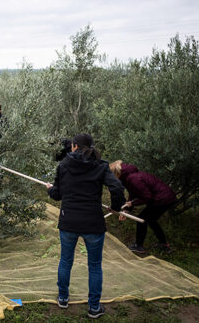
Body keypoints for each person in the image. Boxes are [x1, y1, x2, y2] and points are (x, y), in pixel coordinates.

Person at [46, 133, 125, 319]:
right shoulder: (101, 166)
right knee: (95, 266)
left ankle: (63, 299)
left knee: (66, 261)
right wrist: (115, 207)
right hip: (93, 222)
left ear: (73, 146)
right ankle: (94, 308)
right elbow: (117, 188)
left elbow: (58, 195)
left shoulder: (64, 165)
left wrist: (50, 190)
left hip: (69, 221)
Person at [109, 160, 177, 253]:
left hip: (163, 199)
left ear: (116, 173)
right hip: (165, 197)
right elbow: (133, 194)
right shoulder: (128, 177)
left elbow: (147, 197)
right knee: (151, 220)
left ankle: (139, 246)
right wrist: (126, 210)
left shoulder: (133, 178)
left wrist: (132, 203)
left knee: (142, 219)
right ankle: (164, 244)